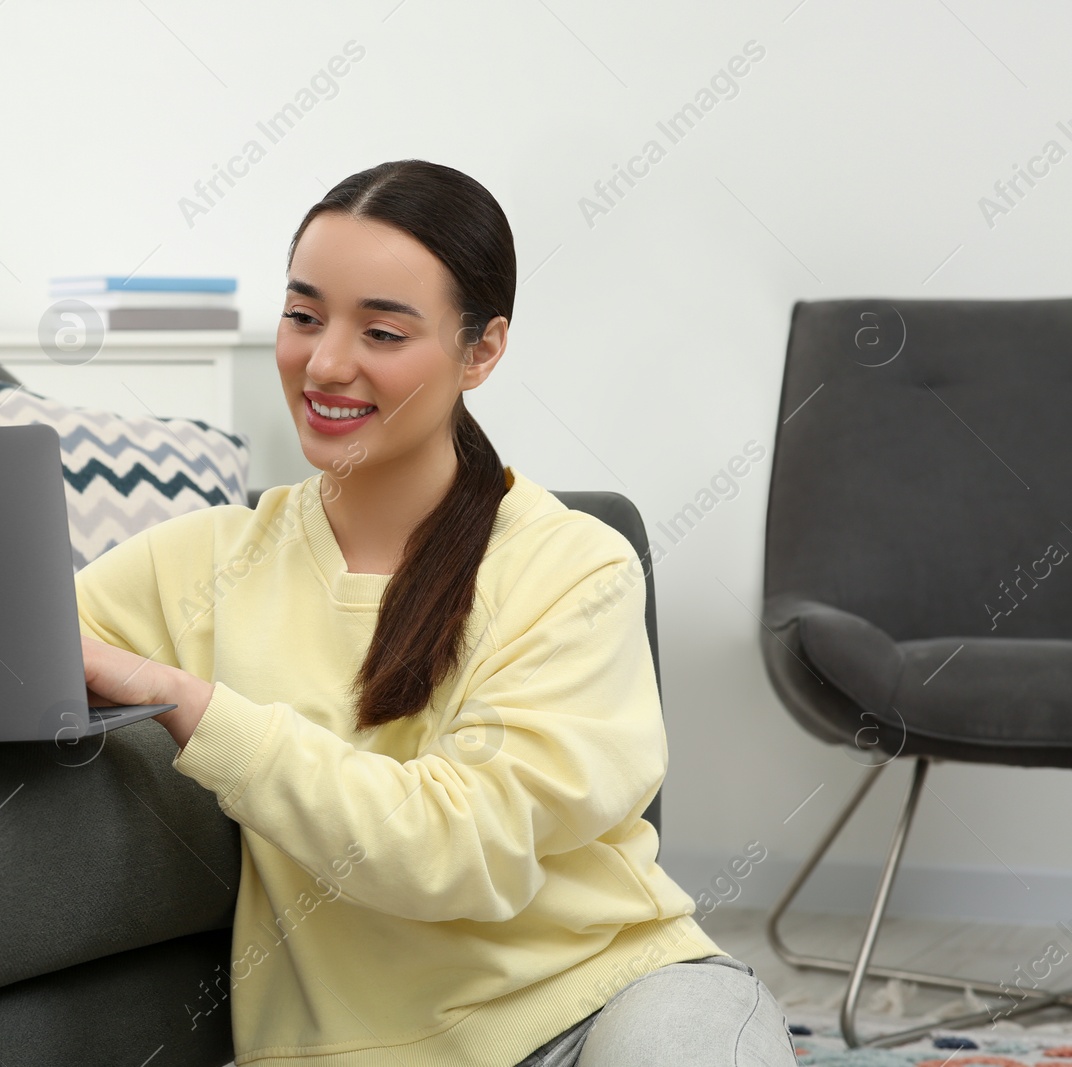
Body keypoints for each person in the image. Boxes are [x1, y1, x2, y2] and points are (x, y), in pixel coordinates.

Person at [75, 159, 796, 1067]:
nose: (326, 362)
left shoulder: (574, 567)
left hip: (609, 1001)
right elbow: (1, 645)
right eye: (303, 316)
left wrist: (187, 700)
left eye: (381, 330)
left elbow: (460, 850)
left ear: (482, 350)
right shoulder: (207, 560)